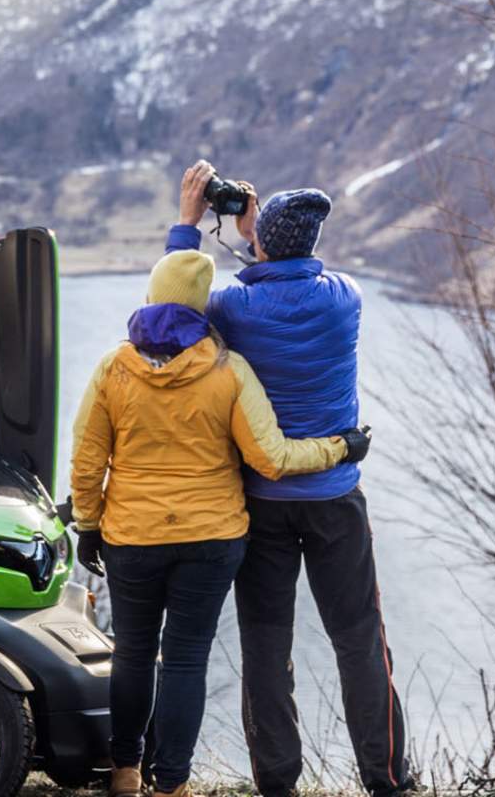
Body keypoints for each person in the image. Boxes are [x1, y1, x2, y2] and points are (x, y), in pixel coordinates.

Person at [69, 249, 369, 797]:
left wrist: (88, 522)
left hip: (132, 536)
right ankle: (173, 784)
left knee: (133, 651)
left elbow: (88, 458)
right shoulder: (228, 370)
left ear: (153, 295)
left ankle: (125, 769)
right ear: (203, 306)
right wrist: (340, 448)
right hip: (211, 538)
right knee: (186, 657)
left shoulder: (115, 367)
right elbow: (272, 458)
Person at [166, 159, 413, 797]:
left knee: (266, 648)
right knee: (360, 641)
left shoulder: (234, 308)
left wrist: (192, 227)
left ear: (265, 241)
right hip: (335, 497)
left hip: (263, 502)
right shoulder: (345, 297)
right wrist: (263, 237)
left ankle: (277, 783)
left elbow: (168, 318)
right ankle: (386, 780)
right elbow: (296, 269)